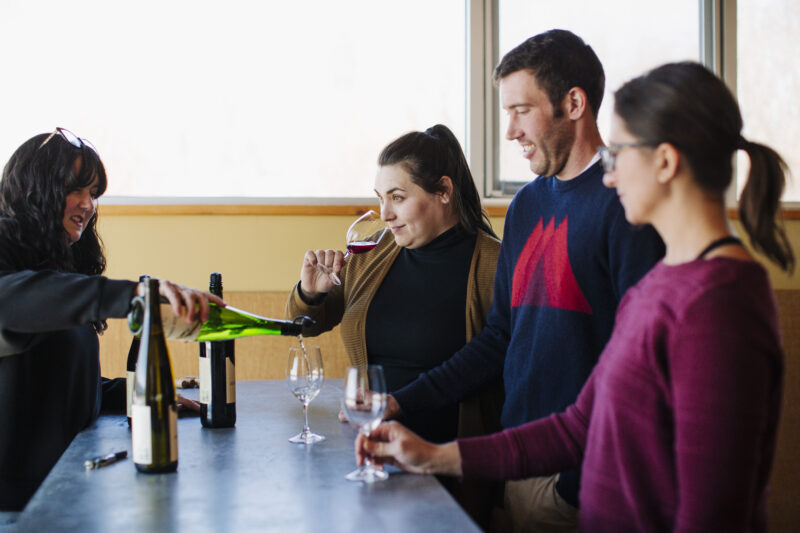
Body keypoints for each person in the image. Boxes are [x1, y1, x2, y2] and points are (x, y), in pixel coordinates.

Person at [358, 61, 792, 533]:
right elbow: (579, 425)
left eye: (620, 154)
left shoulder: (719, 306)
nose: (607, 176)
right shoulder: (661, 286)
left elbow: (712, 513)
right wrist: (433, 457)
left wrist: (565, 489)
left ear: (665, 163)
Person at [381, 30, 665, 532]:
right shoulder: (527, 205)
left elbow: (646, 364)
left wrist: (574, 484)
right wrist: (404, 401)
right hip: (518, 465)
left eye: (520, 110)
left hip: (587, 482)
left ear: (573, 103)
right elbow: (500, 338)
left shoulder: (627, 204)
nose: (509, 131)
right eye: (505, 113)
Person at [285, 124, 503, 525]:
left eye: (398, 198)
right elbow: (305, 325)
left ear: (443, 191)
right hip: (367, 451)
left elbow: (495, 358)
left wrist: (401, 404)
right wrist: (310, 292)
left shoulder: (494, 265)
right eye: (380, 198)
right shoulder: (374, 252)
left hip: (446, 465)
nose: (385, 214)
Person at [0, 128, 222, 515]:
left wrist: (137, 396)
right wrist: (135, 294)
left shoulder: (56, 264)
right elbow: (15, 303)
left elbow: (54, 379)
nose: (88, 205)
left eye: (94, 195)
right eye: (77, 191)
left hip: (62, 491)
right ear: (36, 190)